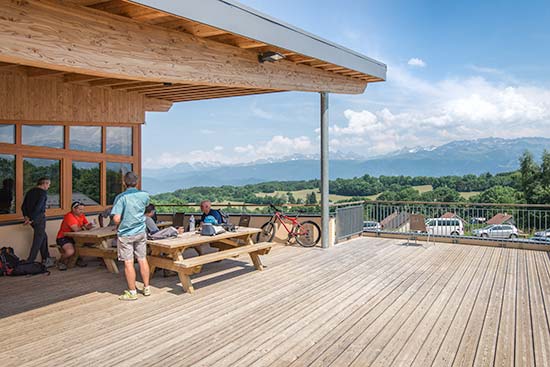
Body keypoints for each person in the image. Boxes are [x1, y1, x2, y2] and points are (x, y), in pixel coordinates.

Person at [111, 172, 151, 301]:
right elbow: (144, 208)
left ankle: (132, 292)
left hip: (126, 234)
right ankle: (146, 287)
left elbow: (116, 219)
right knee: (142, 259)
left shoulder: (121, 198)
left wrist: (121, 219)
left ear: (124, 183)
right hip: (140, 231)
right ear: (137, 182)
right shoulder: (145, 195)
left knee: (128, 262)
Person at [21, 177, 55, 267]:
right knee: (38, 239)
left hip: (31, 219)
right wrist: (32, 218)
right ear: (44, 184)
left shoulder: (30, 191)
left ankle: (46, 258)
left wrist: (26, 217)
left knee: (43, 236)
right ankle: (30, 261)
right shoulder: (42, 193)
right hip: (38, 218)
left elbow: (23, 206)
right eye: (48, 184)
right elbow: (39, 207)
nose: (49, 186)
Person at [55, 201, 93, 271]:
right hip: (64, 237)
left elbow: (86, 224)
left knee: (91, 244)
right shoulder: (69, 216)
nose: (82, 211)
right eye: (80, 209)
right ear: (73, 209)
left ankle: (78, 259)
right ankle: (60, 261)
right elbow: (76, 229)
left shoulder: (81, 215)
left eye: (83, 209)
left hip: (76, 237)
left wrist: (90, 225)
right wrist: (85, 227)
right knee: (70, 251)